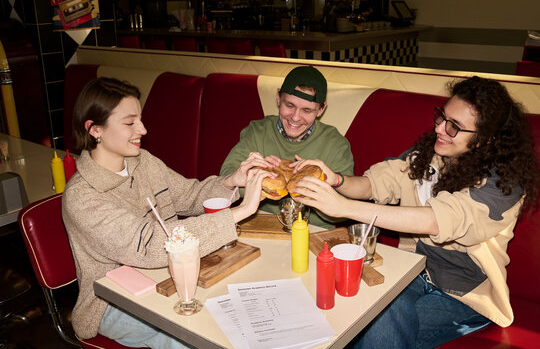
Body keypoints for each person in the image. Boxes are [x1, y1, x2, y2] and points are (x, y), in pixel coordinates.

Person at [292, 76, 540, 348]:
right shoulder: (426, 156)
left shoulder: (502, 183)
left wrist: (344, 207)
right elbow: (374, 183)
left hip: (463, 295)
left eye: (455, 127)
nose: (440, 129)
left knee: (376, 319)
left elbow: (438, 220)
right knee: (361, 313)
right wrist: (336, 180)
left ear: (485, 139)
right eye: (442, 117)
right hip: (410, 274)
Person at [62, 77, 273, 348]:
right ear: (95, 130)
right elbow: (153, 247)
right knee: (192, 338)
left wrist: (232, 181)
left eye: (140, 118)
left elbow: (189, 195)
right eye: (129, 123)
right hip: (109, 304)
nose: (143, 129)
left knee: (239, 316)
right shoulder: (82, 198)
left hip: (170, 280)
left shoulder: (143, 161)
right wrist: (241, 211)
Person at [220, 65, 354, 228]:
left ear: (321, 109)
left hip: (315, 232)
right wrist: (260, 174)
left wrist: (314, 188)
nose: (296, 117)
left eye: (307, 110)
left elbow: (343, 211)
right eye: (289, 105)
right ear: (278, 98)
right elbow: (224, 181)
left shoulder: (335, 144)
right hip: (261, 226)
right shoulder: (257, 131)